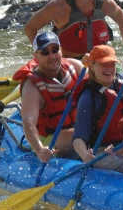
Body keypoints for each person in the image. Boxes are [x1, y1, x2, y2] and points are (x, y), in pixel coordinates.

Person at [72, 44, 123, 172]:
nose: (109, 68)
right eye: (103, 64)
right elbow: (78, 138)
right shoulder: (88, 98)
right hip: (103, 152)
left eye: (112, 64)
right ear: (92, 66)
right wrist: (85, 155)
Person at [14, 32, 83, 163]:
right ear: (36, 56)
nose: (51, 56)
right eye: (45, 52)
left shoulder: (75, 66)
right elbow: (28, 122)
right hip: (50, 137)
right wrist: (40, 148)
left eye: (55, 50)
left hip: (78, 127)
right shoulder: (32, 87)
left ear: (61, 50)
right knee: (80, 134)